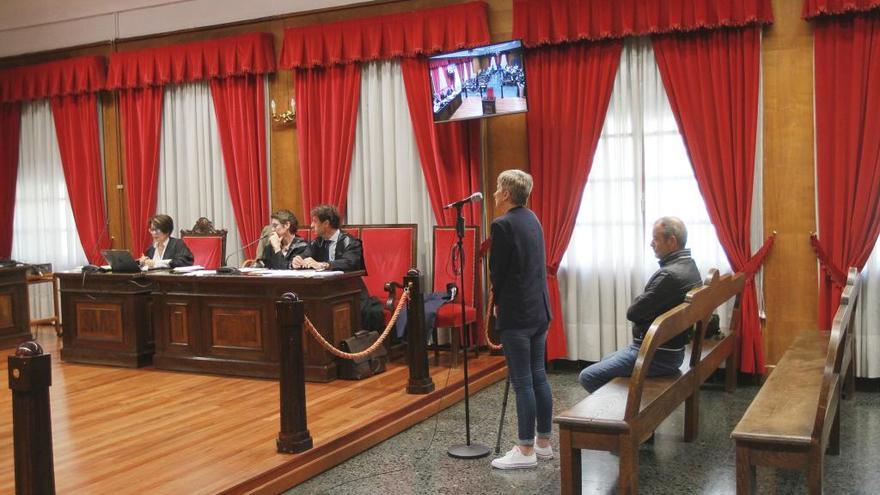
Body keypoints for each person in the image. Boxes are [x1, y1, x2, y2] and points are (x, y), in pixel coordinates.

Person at [577, 216, 702, 393]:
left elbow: (633, 313)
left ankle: (620, 413)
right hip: (672, 350)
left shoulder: (669, 276)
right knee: (606, 361)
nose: (651, 243)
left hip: (655, 353)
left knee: (588, 376)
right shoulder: (689, 266)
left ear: (672, 241)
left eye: (655, 238)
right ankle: (621, 406)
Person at [488, 169, 553, 470]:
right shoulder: (533, 219)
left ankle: (525, 449)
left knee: (523, 381)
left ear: (507, 193)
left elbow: (498, 272)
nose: (495, 192)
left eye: (498, 187)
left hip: (517, 312)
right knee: (538, 375)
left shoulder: (502, 224)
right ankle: (544, 443)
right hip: (539, 309)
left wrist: (496, 301)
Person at [292, 204, 364, 272]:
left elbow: (349, 262)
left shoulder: (351, 242)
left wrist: (324, 265)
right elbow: (305, 255)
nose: (311, 225)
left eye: (315, 221)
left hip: (346, 283)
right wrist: (298, 260)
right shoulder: (316, 242)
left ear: (326, 223)